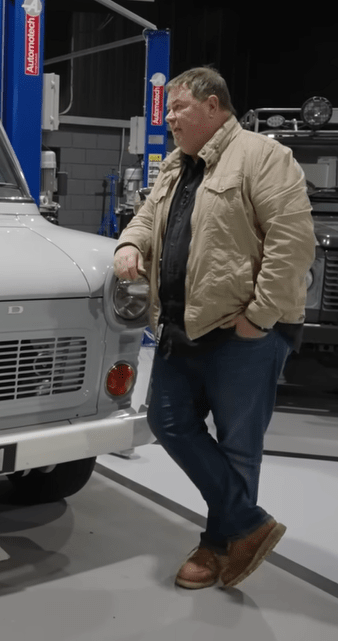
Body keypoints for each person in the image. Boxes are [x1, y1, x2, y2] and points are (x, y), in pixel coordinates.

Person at [114, 66, 315, 590]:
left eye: (177, 108)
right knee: (167, 421)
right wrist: (130, 244)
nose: (170, 119)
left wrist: (259, 318)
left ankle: (217, 544)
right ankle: (248, 525)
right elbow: (145, 216)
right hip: (182, 325)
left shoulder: (264, 157)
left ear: (212, 106)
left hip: (241, 331)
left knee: (238, 446)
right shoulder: (176, 167)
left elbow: (292, 244)